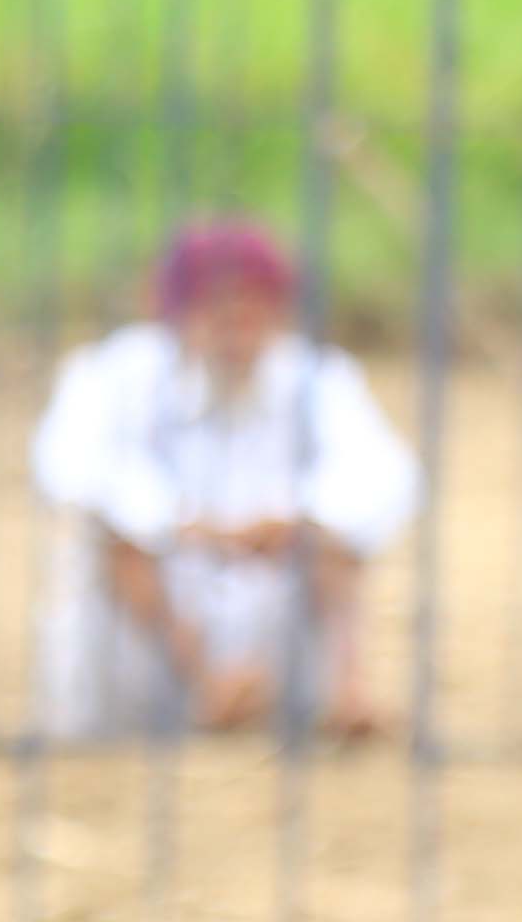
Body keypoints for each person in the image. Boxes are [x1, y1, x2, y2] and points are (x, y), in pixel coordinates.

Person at [26, 218, 419, 737]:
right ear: (176, 313)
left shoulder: (317, 377)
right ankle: (208, 686)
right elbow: (72, 470)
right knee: (116, 540)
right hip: (145, 638)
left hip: (270, 617)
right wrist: (184, 525)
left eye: (254, 313)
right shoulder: (114, 373)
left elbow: (382, 474)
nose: (238, 332)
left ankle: (347, 697)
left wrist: (297, 519)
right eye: (218, 313)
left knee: (336, 542)